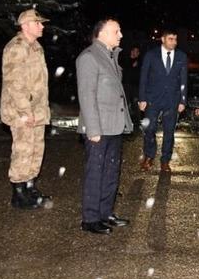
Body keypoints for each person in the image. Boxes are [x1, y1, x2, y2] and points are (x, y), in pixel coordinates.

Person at [76, 18, 133, 234]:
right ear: (102, 34)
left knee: (111, 172)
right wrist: (93, 130)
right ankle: (90, 219)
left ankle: (105, 213)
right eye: (116, 31)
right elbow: (87, 95)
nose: (121, 35)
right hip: (98, 128)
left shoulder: (110, 56)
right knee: (95, 172)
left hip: (114, 126)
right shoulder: (89, 57)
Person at [0, 9, 51, 209]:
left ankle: (30, 188)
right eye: (38, 23)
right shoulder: (16, 48)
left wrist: (40, 110)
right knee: (23, 150)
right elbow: (14, 84)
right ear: (25, 25)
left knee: (36, 150)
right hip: (21, 113)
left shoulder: (36, 47)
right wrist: (25, 112)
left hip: (37, 110)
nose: (42, 26)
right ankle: (19, 195)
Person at [138, 28, 188, 173]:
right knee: (149, 128)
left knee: (169, 132)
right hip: (152, 99)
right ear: (163, 39)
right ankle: (149, 155)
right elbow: (143, 77)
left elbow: (183, 80)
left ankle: (165, 160)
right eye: (171, 39)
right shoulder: (151, 55)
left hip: (172, 100)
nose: (174, 42)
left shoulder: (181, 56)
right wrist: (142, 98)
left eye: (175, 39)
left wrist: (183, 100)